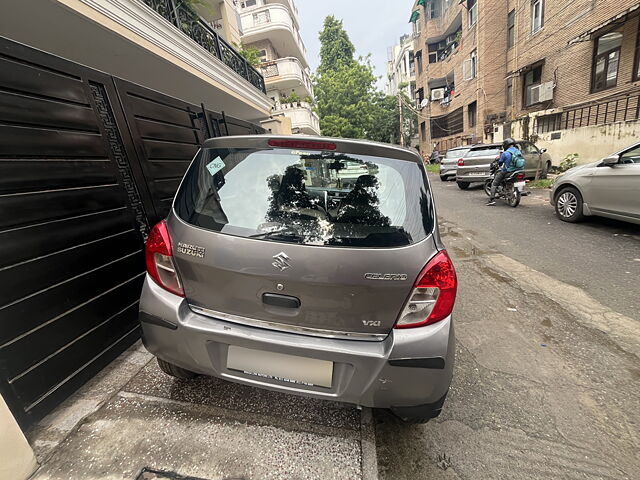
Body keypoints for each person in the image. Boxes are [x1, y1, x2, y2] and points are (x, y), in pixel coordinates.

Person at [487, 138, 521, 206]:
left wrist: (498, 164)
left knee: (494, 184)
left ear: (505, 145)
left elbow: (500, 163)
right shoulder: (518, 151)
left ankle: (491, 200)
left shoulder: (505, 153)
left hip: (508, 171)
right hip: (519, 171)